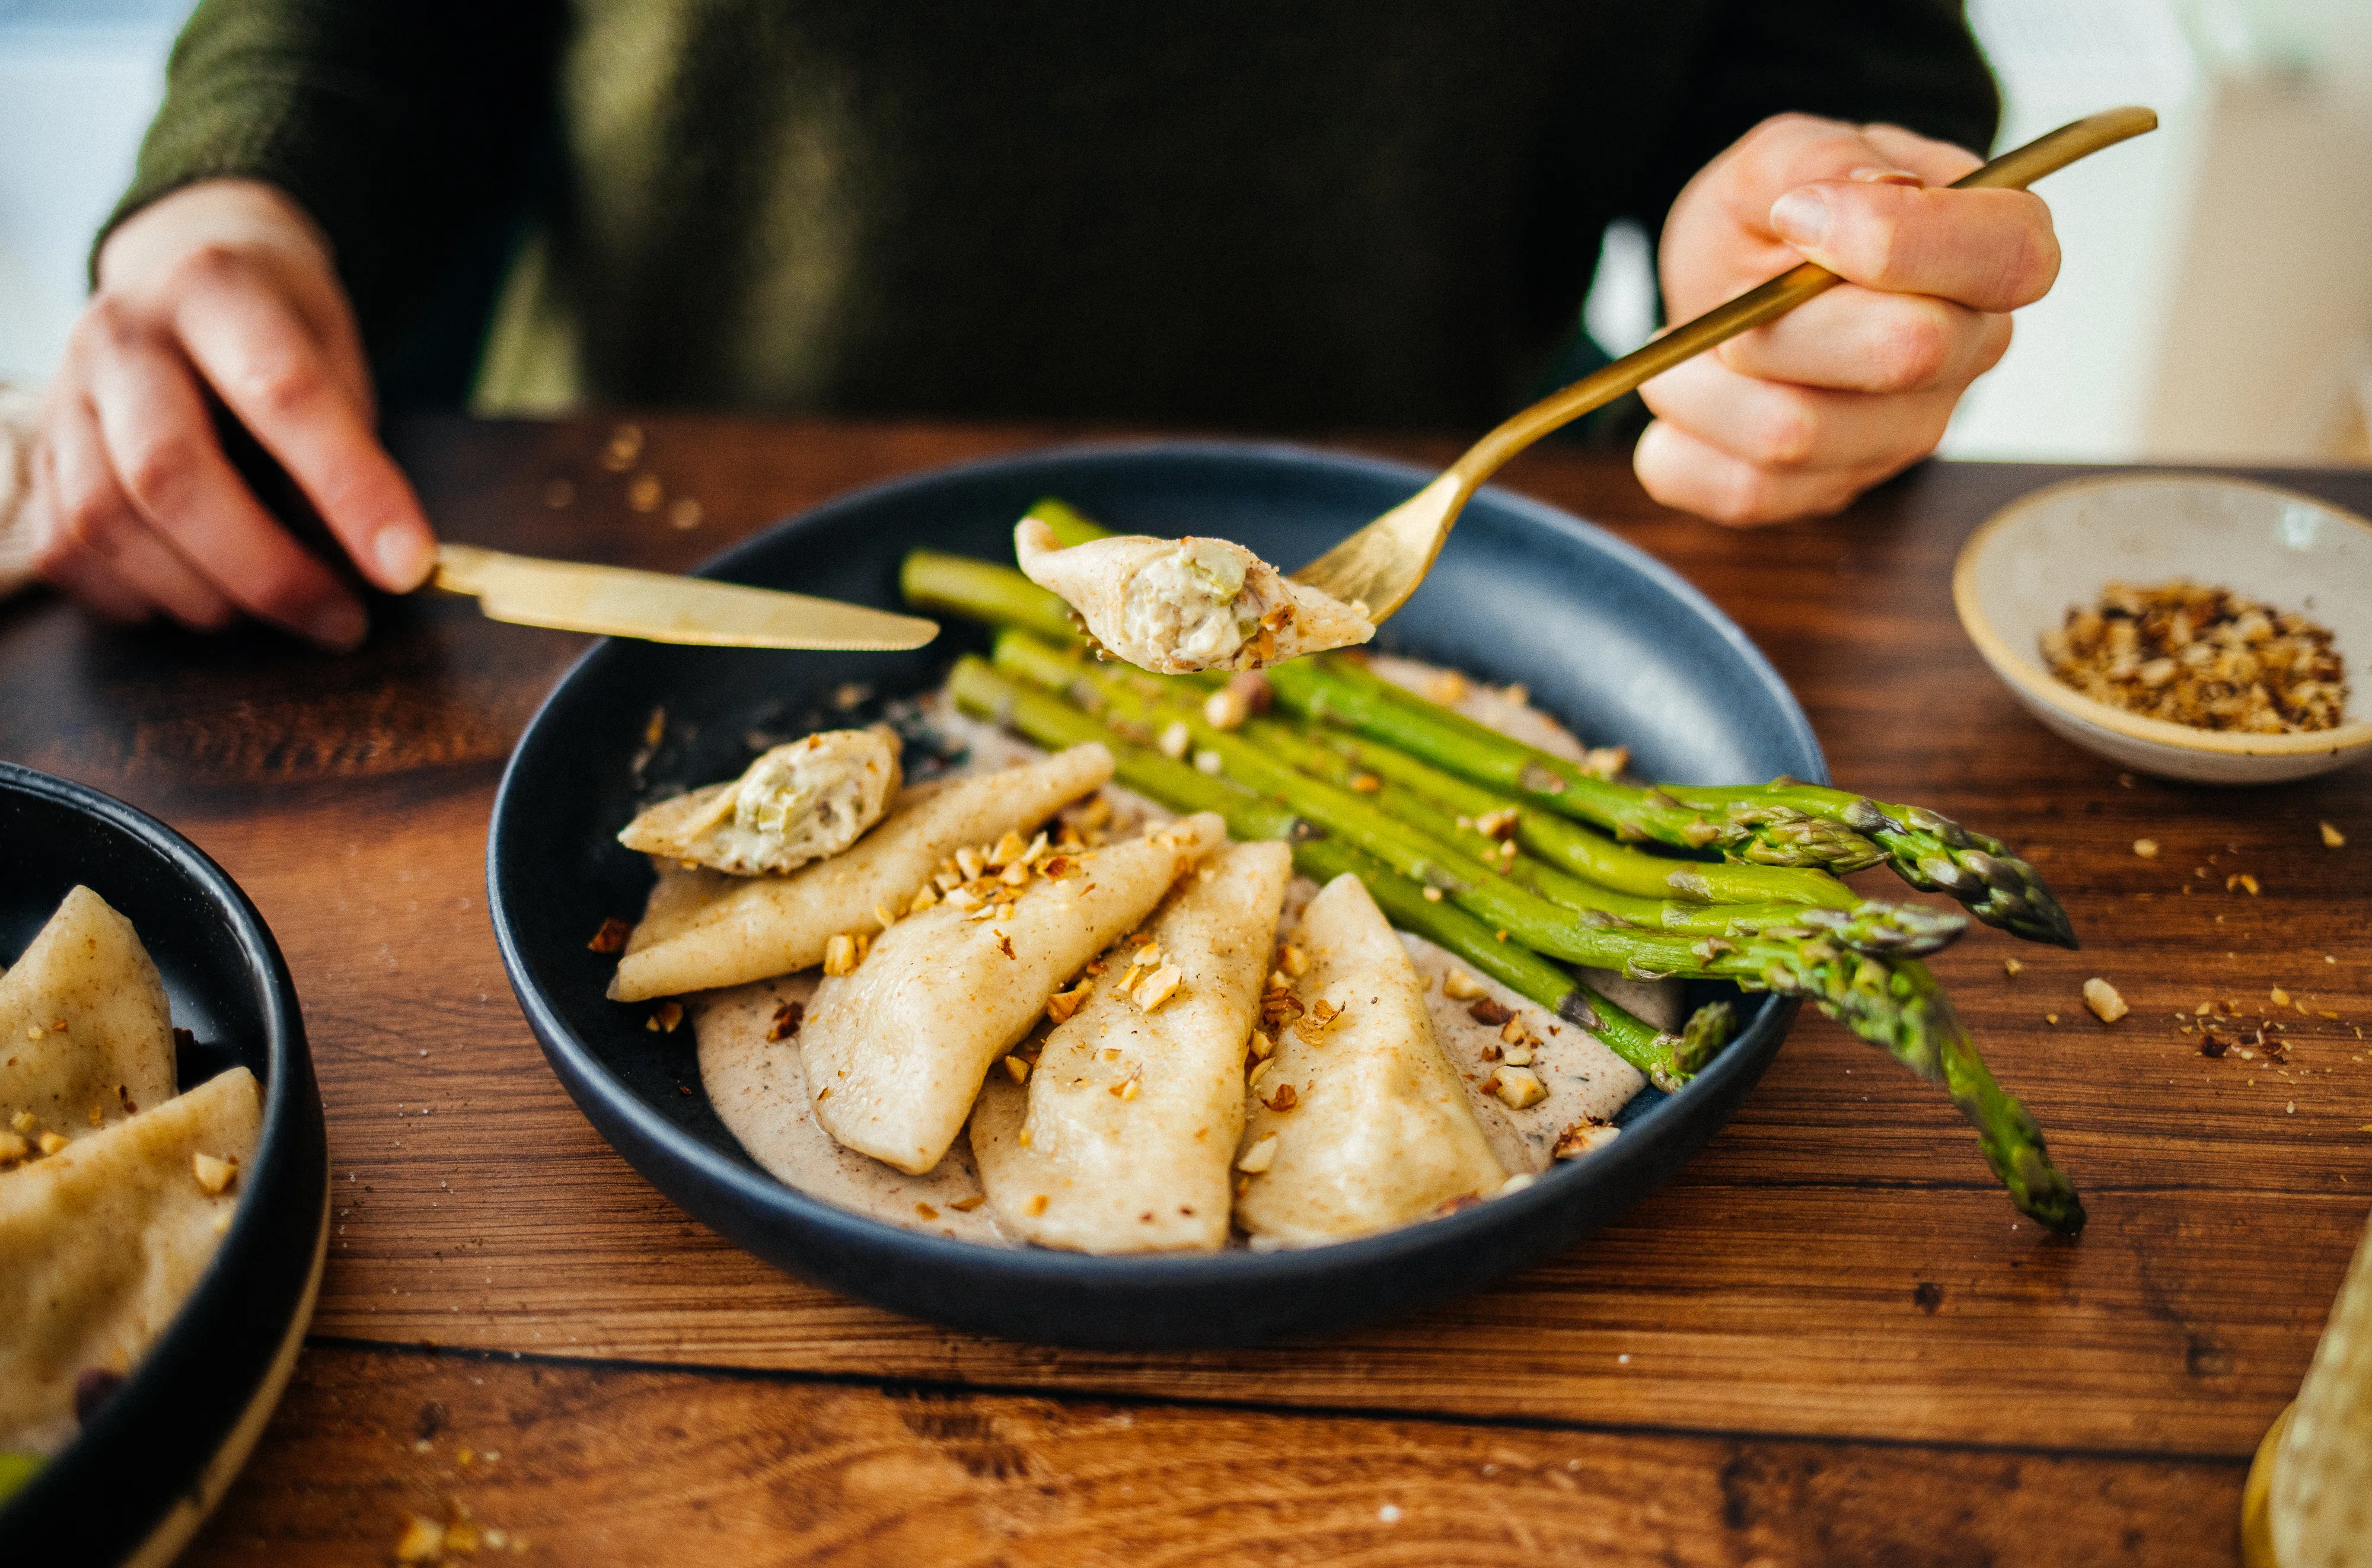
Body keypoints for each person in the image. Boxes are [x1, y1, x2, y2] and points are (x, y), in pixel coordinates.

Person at [24, 2, 2058, 649]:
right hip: (621, 577)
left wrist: (1805, 237)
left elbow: (1836, 45)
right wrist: (240, 185)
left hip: (1467, 581)